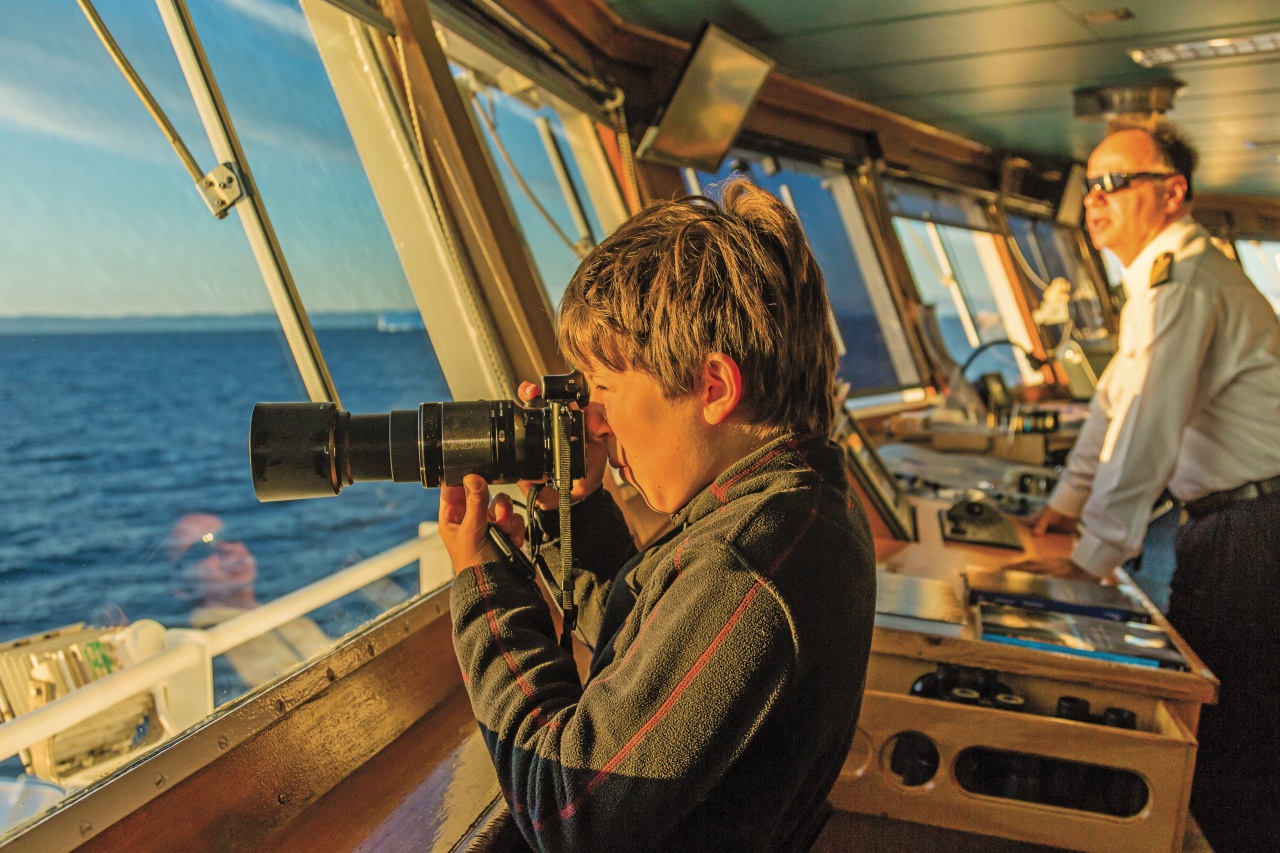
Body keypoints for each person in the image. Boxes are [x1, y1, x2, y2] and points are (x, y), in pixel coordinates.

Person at [438, 179, 877, 853]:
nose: (597, 422)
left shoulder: (747, 565)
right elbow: (662, 642)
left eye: (606, 391)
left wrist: (484, 588)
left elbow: (568, 807)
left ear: (714, 387)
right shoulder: (794, 499)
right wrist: (575, 512)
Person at [1010, 119, 1280, 852]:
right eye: (1089, 184)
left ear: (1172, 192)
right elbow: (1113, 409)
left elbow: (1145, 437)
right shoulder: (1157, 283)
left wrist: (1086, 561)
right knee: (1231, 734)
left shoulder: (1182, 282)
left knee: (1234, 735)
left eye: (1114, 182)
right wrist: (1062, 510)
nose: (1095, 200)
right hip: (1230, 524)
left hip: (1253, 532)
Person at [169, 513, 329, 689]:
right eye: (202, 549)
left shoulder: (284, 614)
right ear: (180, 586)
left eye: (227, 536)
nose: (226, 548)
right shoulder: (206, 650)